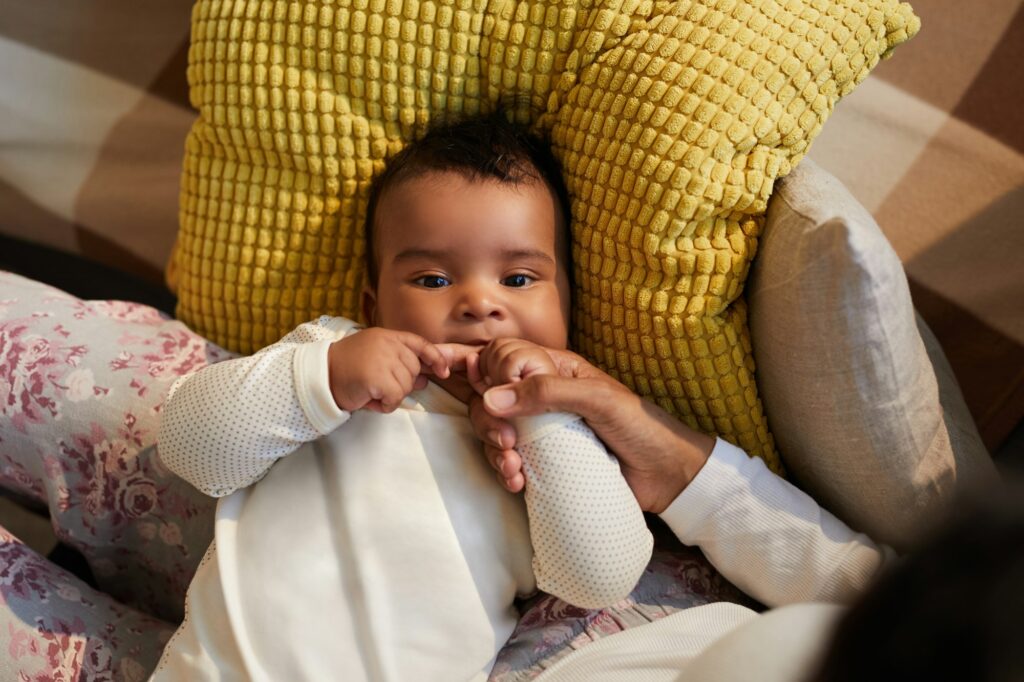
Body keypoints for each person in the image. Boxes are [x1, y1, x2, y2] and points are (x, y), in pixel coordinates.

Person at [150, 112, 655, 681]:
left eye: (517, 279)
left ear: (568, 306)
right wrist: (325, 378)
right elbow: (188, 445)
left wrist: (542, 415)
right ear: (374, 308)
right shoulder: (331, 353)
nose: (478, 304)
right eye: (433, 280)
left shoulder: (560, 440)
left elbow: (600, 578)